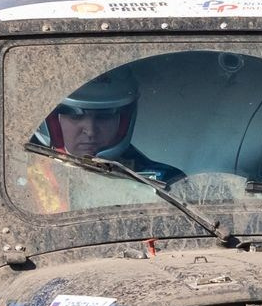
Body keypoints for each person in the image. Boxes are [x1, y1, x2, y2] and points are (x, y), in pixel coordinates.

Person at [25, 69, 184, 209]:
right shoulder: (17, 180)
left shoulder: (167, 182)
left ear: (124, 121)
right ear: (50, 121)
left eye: (105, 117)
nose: (91, 131)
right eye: (75, 116)